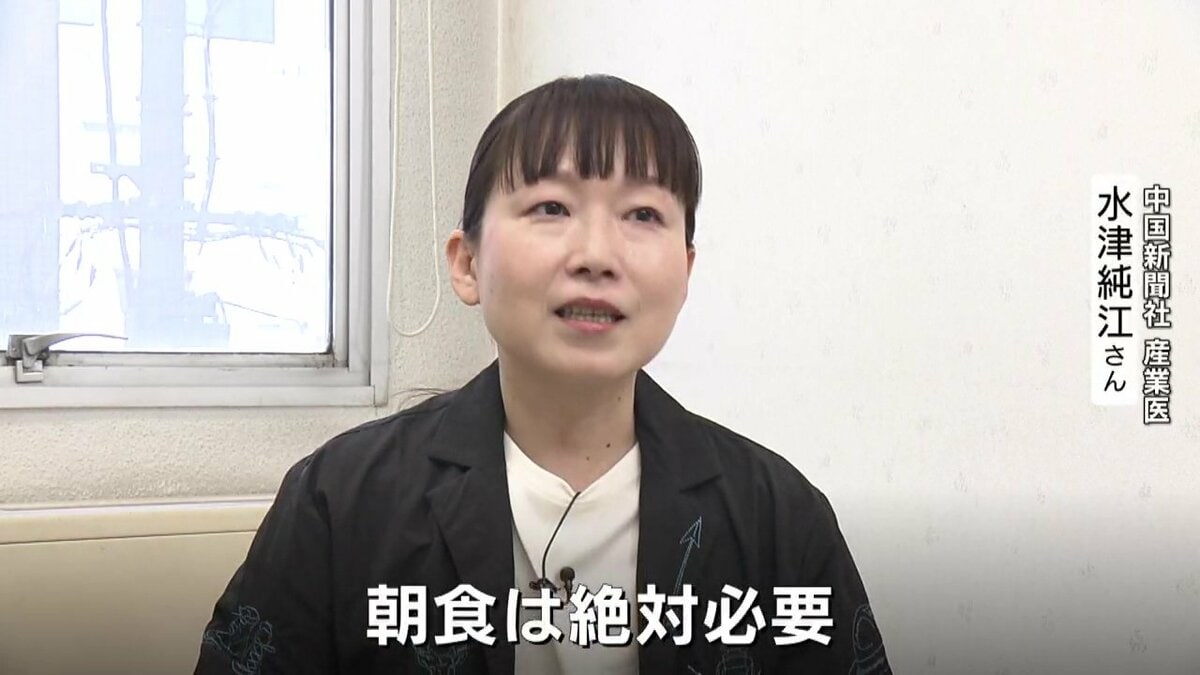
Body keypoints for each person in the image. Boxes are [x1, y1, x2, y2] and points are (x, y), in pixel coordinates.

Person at [195, 74, 891, 675]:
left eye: (643, 214)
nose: (597, 254)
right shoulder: (340, 501)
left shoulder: (778, 517)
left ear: (685, 272)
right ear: (467, 263)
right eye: (551, 208)